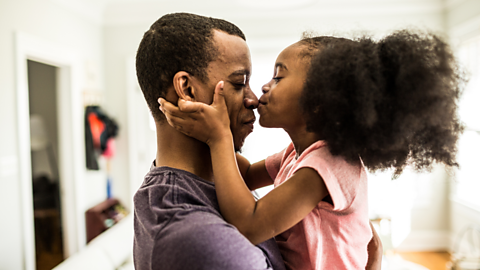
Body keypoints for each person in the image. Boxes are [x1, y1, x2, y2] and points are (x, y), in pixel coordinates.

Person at [159, 31, 463, 269]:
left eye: (279, 77)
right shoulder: (296, 154)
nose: (264, 87)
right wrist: (210, 124)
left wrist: (219, 138)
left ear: (320, 100)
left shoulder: (325, 166)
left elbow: (250, 224)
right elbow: (247, 175)